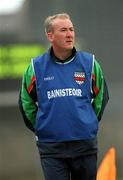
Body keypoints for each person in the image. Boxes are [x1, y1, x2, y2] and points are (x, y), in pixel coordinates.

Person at [18, 13, 109, 180]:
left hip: (84, 145)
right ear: (50, 35)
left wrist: (87, 121)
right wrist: (43, 127)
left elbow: (101, 98)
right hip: (51, 148)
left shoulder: (90, 63)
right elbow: (26, 104)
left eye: (71, 29)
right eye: (64, 30)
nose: (70, 34)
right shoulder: (35, 68)